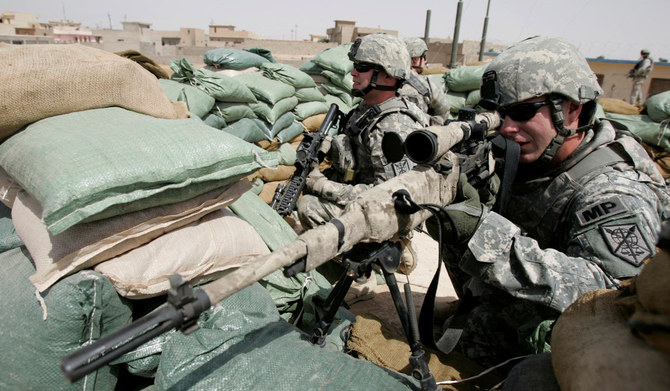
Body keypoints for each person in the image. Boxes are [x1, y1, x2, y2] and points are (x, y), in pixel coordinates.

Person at [427, 36, 670, 369]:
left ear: (572, 108)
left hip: (582, 355)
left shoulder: (614, 192)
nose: (508, 127)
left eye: (524, 111)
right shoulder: (522, 152)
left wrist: (484, 235)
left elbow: (616, 299)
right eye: (500, 114)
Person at [297, 33, 429, 281]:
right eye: (355, 66)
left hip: (386, 216)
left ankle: (367, 269)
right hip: (362, 197)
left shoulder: (392, 125)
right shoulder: (367, 109)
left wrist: (323, 186)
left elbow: (388, 196)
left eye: (362, 68)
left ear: (388, 75)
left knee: (310, 208)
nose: (353, 73)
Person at [398, 37, 450, 125]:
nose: (425, 61)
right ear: (415, 59)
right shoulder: (428, 83)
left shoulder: (389, 79)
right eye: (424, 57)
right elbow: (443, 112)